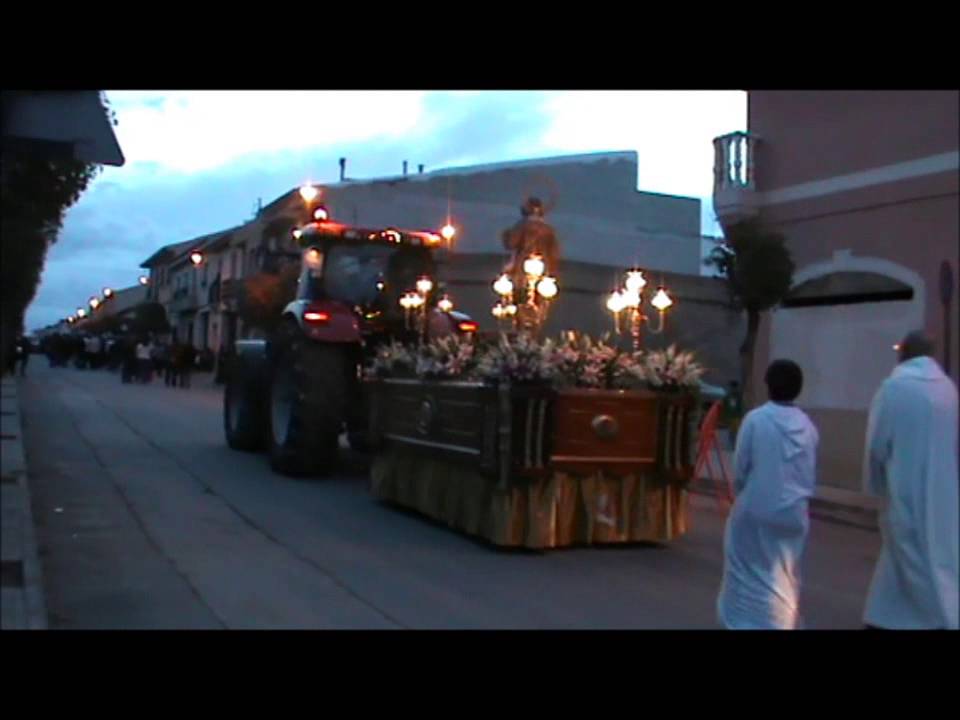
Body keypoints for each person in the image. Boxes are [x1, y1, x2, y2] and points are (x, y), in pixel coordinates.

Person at [862, 332, 958, 631]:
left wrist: (875, 486)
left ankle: (931, 617)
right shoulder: (947, 390)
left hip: (904, 488)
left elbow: (877, 445)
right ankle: (887, 617)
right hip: (942, 493)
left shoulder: (893, 389)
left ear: (903, 354)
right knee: (935, 555)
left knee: (908, 556)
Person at [717, 359, 819, 630]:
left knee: (746, 575)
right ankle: (783, 621)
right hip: (794, 514)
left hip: (756, 509)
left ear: (768, 386)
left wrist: (743, 494)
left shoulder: (756, 419)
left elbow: (740, 468)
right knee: (786, 575)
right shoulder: (808, 427)